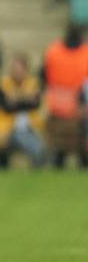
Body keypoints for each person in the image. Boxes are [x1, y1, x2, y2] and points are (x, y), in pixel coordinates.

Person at [41, 23, 88, 169]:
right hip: (59, 105)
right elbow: (44, 77)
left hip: (80, 106)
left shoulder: (53, 51)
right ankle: (60, 158)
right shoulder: (54, 52)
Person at [0, 54, 46, 168]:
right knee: (25, 140)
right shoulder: (3, 84)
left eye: (19, 69)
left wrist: (16, 100)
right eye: (14, 69)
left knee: (29, 138)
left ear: (26, 70)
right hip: (6, 130)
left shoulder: (33, 83)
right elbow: (7, 107)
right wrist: (25, 99)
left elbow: (35, 104)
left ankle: (38, 166)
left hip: (30, 128)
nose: (16, 72)